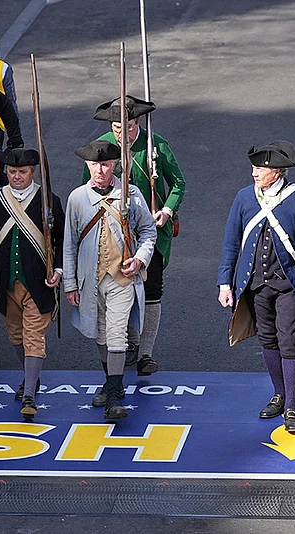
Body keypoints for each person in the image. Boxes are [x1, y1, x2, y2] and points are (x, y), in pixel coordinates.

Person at [217, 141, 295, 433]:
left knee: (289, 340)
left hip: (289, 285)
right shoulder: (243, 198)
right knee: (267, 339)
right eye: (254, 168)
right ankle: (278, 394)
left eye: (260, 169)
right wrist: (224, 282)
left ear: (277, 171)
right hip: (255, 286)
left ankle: (291, 406)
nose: (254, 173)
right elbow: (230, 244)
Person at [82, 96, 185, 375]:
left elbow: (178, 182)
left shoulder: (157, 144)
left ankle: (145, 353)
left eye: (126, 127)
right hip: (113, 233)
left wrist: (166, 210)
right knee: (122, 289)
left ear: (137, 123)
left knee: (151, 291)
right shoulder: (102, 146)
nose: (120, 133)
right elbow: (86, 190)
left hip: (151, 228)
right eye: (116, 127)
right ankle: (129, 344)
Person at [64, 140, 157, 420]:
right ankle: (110, 382)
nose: (100, 170)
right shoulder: (77, 198)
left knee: (117, 334)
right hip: (90, 280)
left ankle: (114, 396)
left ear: (114, 165)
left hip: (122, 279)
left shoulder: (132, 194)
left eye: (105, 164)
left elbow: (148, 232)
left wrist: (139, 259)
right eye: (95, 164)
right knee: (101, 335)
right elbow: (69, 244)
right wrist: (70, 283)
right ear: (88, 165)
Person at [0, 148, 64, 419]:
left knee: (34, 338)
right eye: (13, 172)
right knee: (16, 336)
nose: (18, 177)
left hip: (39, 284)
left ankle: (29, 392)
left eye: (23, 172)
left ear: (33, 173)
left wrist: (60, 270)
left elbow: (62, 241)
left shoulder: (49, 201)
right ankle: (32, 376)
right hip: (6, 283)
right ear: (6, 172)